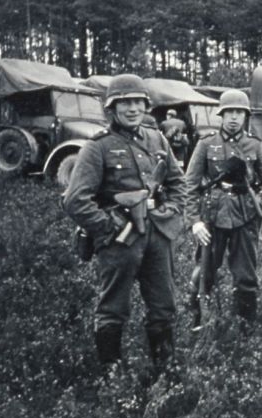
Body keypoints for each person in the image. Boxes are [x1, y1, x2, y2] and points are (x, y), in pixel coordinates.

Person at [63, 74, 185, 378]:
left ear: (146, 106)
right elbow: (75, 200)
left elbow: (178, 183)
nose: (132, 109)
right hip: (121, 240)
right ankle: (112, 374)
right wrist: (107, 227)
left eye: (138, 103)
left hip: (156, 234)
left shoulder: (157, 139)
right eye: (125, 103)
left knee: (163, 306)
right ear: (112, 108)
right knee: (112, 308)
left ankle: (164, 371)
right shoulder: (98, 147)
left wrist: (171, 211)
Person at [184, 89, 262, 324]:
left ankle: (245, 328)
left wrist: (259, 201)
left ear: (245, 116)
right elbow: (189, 185)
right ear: (221, 115)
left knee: (246, 274)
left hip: (245, 215)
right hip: (212, 215)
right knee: (205, 270)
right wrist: (194, 221)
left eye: (239, 113)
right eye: (229, 112)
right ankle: (198, 320)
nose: (234, 118)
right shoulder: (206, 143)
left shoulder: (255, 145)